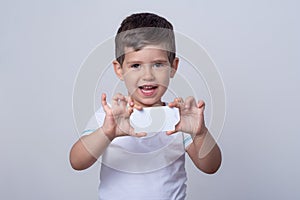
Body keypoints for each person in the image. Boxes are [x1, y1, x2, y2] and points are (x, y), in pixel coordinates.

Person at [70, 12, 222, 200]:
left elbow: (210, 166)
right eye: (135, 66)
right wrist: (106, 133)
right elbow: (76, 161)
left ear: (173, 67)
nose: (148, 75)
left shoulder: (179, 119)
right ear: (119, 69)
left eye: (158, 64)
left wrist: (199, 133)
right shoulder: (110, 117)